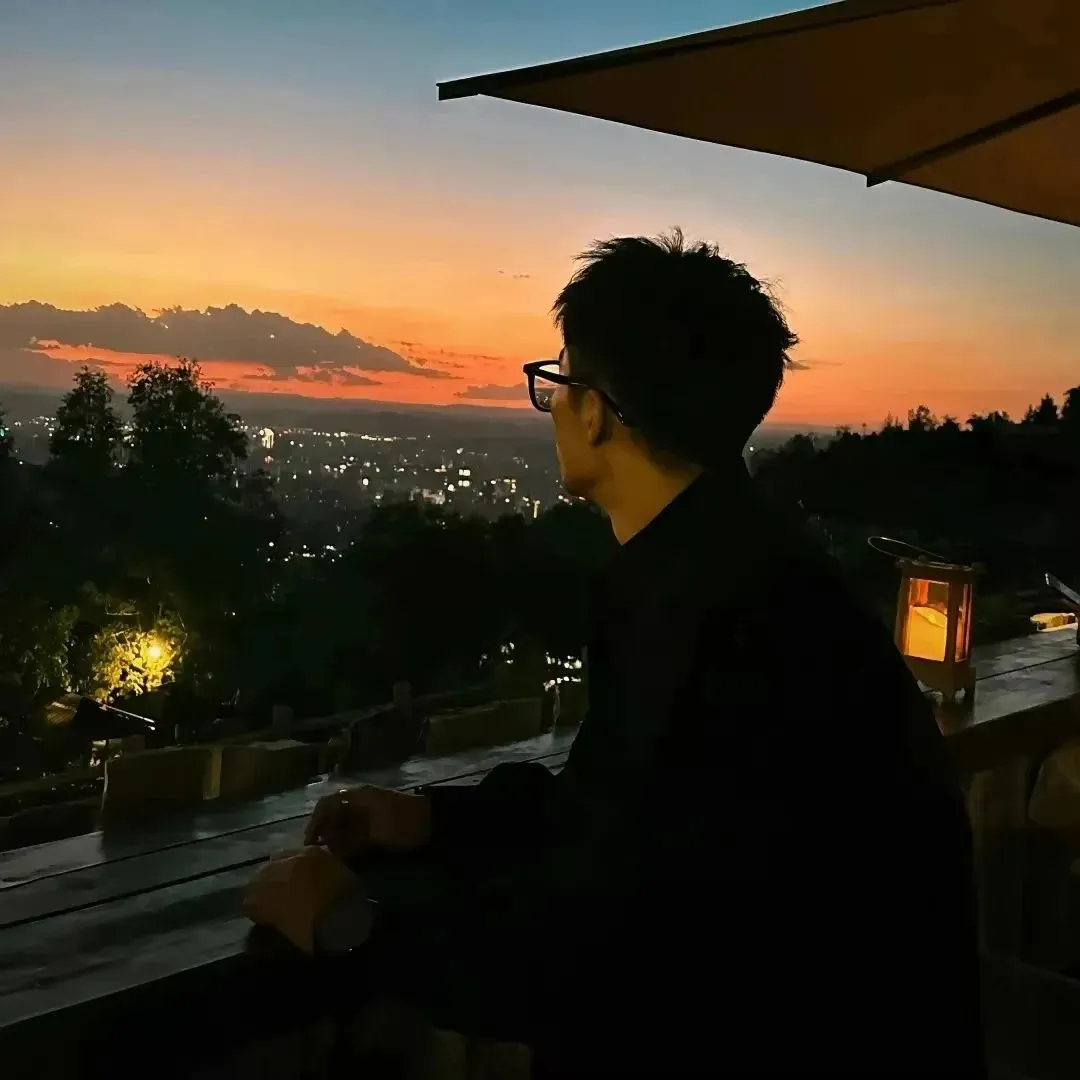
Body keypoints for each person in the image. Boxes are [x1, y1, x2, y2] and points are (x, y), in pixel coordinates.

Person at [246, 231, 985, 1076]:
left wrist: (347, 923)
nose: (555, 406)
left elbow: (609, 957)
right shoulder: (747, 572)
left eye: (558, 381)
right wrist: (434, 819)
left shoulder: (719, 616)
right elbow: (625, 818)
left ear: (594, 409)